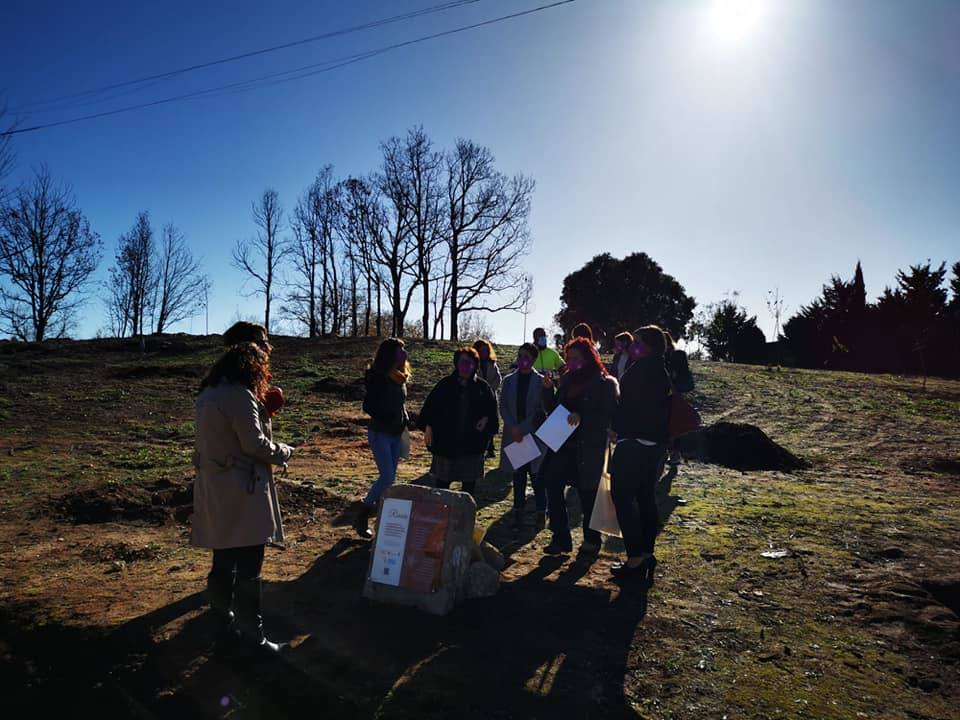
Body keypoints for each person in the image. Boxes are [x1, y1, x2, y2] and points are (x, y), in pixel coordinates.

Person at [191, 342, 294, 654]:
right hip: (242, 489)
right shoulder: (239, 395)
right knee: (250, 565)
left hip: (215, 487)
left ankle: (222, 627)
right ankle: (254, 638)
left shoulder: (208, 394)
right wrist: (284, 451)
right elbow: (254, 444)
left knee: (223, 560)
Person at [541, 337, 619, 554]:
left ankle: (592, 540)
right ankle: (560, 538)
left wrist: (582, 416)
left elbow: (609, 414)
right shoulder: (566, 380)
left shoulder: (604, 383)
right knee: (552, 486)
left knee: (588, 494)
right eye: (569, 358)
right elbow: (554, 410)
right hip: (562, 443)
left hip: (588, 446)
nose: (571, 362)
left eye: (576, 358)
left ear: (588, 358)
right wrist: (547, 391)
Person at [608, 326, 672, 582]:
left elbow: (629, 407)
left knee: (622, 496)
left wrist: (616, 426)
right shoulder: (661, 370)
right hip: (655, 444)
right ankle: (646, 552)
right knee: (645, 497)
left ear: (650, 346)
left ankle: (635, 557)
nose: (632, 346)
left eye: (638, 342)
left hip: (633, 441)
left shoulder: (640, 370)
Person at [418, 347, 499, 496]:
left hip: (472, 447)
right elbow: (430, 409)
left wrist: (486, 419)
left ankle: (464, 512)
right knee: (441, 489)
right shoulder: (445, 384)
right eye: (463, 362)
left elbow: (492, 413)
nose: (466, 366)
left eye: (470, 363)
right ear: (456, 363)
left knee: (468, 491)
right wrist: (428, 426)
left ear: (475, 365)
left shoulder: (483, 388)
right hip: (446, 445)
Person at [355, 338, 410, 538]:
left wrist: (405, 418)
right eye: (400, 351)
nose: (404, 354)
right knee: (387, 477)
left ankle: (383, 521)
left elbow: (399, 403)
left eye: (404, 350)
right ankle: (363, 514)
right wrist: (386, 416)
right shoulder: (379, 377)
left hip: (396, 433)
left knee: (390, 479)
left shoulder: (400, 377)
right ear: (390, 354)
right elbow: (369, 405)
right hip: (380, 433)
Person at [500, 343, 548, 529]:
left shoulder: (540, 381)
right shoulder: (509, 380)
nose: (522, 360)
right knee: (518, 477)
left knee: (537, 477)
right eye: (520, 356)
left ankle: (541, 512)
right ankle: (518, 512)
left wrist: (523, 428)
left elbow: (540, 410)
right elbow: (503, 406)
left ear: (533, 360)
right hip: (515, 436)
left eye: (526, 357)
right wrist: (513, 427)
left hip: (533, 436)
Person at [663, 331, 694, 466]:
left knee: (674, 423)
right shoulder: (659, 356)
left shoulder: (677, 355)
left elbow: (682, 374)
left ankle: (675, 452)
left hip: (675, 393)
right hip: (664, 394)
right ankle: (670, 452)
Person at [473, 339, 502, 459]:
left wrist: (489, 389)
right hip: (477, 398)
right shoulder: (474, 364)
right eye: (481, 350)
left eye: (486, 350)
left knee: (491, 422)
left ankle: (490, 448)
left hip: (491, 397)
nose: (484, 353)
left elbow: (498, 379)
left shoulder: (492, 364)